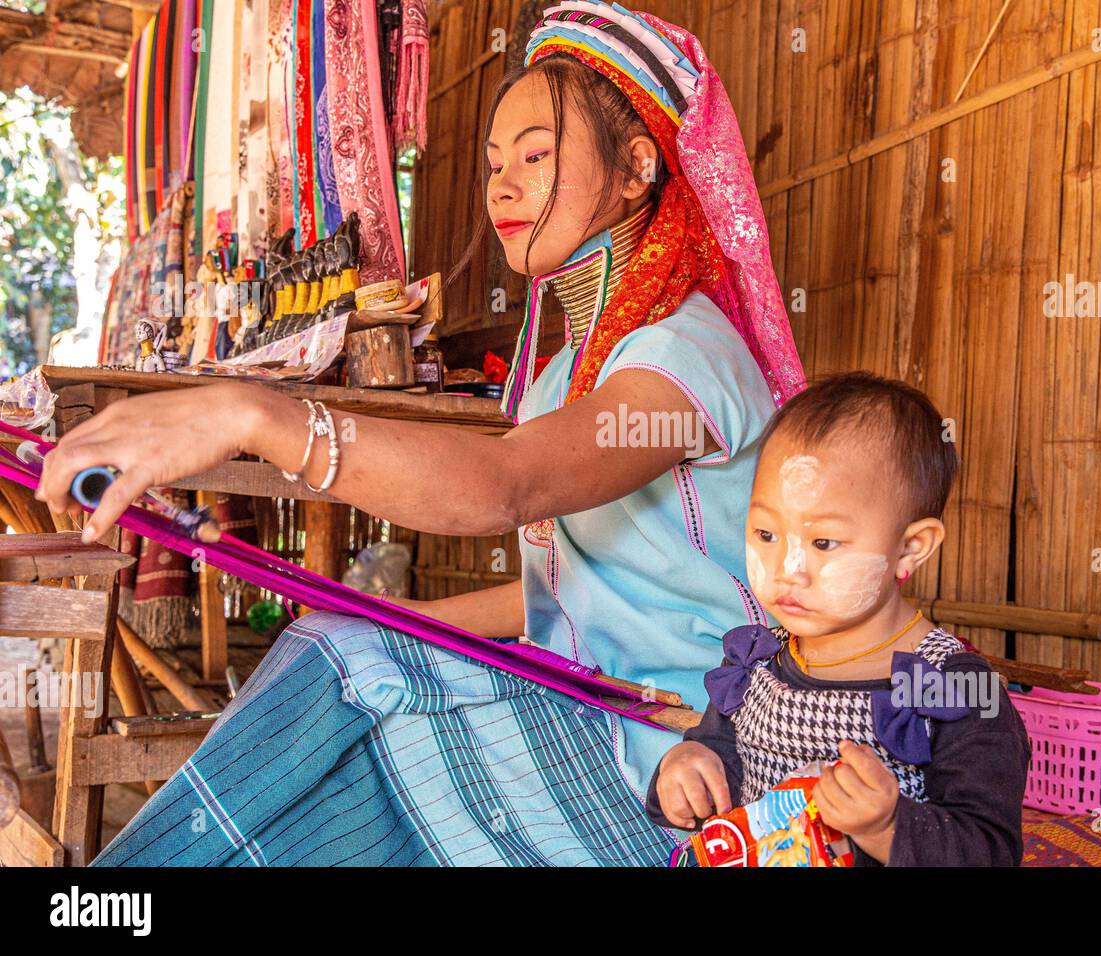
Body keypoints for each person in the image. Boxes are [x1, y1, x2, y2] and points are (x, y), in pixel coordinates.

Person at [40, 3, 805, 866]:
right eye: (493, 164)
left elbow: (504, 485)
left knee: (347, 714)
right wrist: (398, 617)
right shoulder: (563, 377)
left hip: (696, 741)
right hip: (601, 702)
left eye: (536, 156)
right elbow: (576, 593)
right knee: (333, 645)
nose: (504, 185)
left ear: (637, 168)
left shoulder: (683, 354)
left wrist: (248, 414)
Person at [647, 373, 1029, 866]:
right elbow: (714, 764)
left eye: (823, 542)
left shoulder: (955, 690)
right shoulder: (755, 662)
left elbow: (989, 851)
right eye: (765, 533)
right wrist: (683, 769)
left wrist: (886, 828)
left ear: (910, 548)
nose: (787, 569)